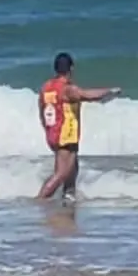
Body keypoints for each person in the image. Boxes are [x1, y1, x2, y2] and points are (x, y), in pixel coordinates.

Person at [36, 52, 121, 203]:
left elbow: (42, 110)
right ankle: (40, 200)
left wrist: (47, 129)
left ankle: (69, 197)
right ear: (71, 69)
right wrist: (110, 92)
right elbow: (87, 95)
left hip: (54, 132)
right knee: (62, 173)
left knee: (72, 168)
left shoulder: (46, 88)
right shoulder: (67, 89)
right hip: (65, 134)